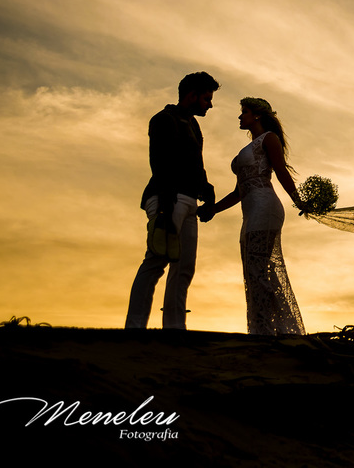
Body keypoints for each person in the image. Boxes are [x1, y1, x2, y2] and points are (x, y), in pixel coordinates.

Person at [200, 97, 305, 335]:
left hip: (265, 208)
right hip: (249, 212)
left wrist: (298, 201)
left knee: (259, 271)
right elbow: (239, 191)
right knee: (253, 271)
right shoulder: (249, 147)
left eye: (244, 112)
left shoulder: (269, 139)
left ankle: (272, 331)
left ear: (257, 115)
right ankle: (263, 327)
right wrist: (213, 209)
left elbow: (280, 171)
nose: (240, 116)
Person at [125, 71, 219, 329]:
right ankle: (134, 329)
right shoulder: (163, 119)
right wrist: (165, 207)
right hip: (168, 198)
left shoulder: (194, 125)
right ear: (191, 95)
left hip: (188, 200)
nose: (210, 104)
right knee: (156, 261)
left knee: (184, 267)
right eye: (206, 99)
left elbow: (196, 166)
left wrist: (208, 194)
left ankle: (174, 328)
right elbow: (160, 164)